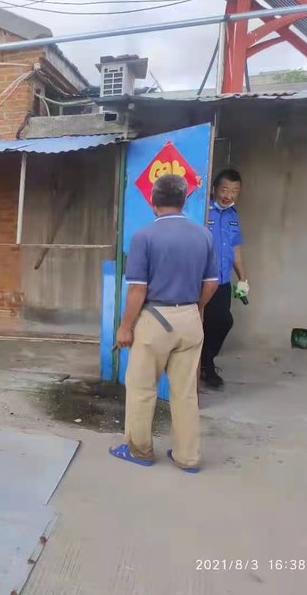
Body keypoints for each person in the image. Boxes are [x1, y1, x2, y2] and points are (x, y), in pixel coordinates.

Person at [110, 174, 219, 473]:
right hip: (190, 319)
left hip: (155, 320)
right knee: (185, 393)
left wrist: (125, 327)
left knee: (142, 388)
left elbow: (137, 290)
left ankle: (139, 450)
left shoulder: (144, 236)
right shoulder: (203, 235)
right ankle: (188, 457)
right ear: (184, 200)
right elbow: (211, 284)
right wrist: (194, 309)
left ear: (152, 201)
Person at [201, 169, 248, 389]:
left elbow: (235, 250)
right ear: (214, 189)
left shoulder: (232, 216)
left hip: (223, 282)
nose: (228, 195)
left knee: (222, 322)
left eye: (234, 191)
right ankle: (200, 365)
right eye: (224, 189)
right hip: (201, 281)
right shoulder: (203, 211)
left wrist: (243, 279)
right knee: (200, 323)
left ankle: (206, 362)